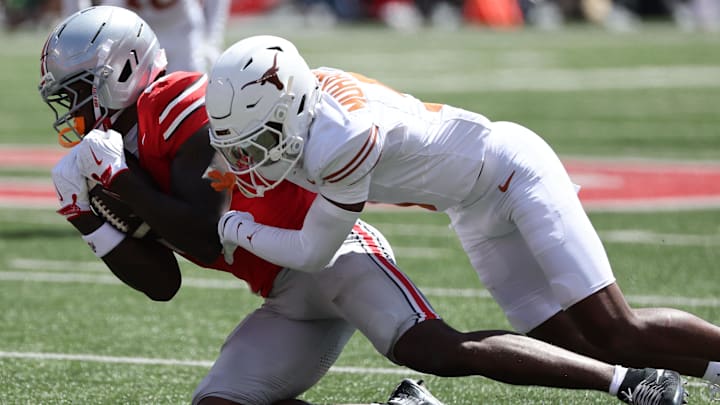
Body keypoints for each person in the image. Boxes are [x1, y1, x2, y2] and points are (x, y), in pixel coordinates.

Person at [40, 7, 686, 405]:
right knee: (222, 401)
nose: (68, 110)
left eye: (74, 91)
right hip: (281, 286)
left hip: (332, 250)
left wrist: (120, 188)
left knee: (433, 346)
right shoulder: (113, 150)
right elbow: (163, 282)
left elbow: (208, 236)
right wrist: (89, 218)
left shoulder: (180, 103)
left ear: (119, 72)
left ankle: (630, 383)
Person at [205, 34, 720, 392]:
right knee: (561, 341)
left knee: (613, 330)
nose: (254, 159)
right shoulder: (300, 99)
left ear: (293, 108)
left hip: (512, 172)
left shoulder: (340, 139)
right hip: (469, 205)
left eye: (264, 141)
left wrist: (233, 224)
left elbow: (313, 252)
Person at [60, 0, 229, 73]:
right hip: (128, 30)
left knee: (192, 103)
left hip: (180, 31)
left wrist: (210, 39)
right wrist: (85, 32)